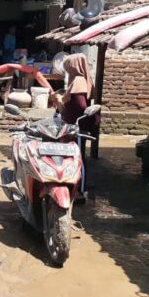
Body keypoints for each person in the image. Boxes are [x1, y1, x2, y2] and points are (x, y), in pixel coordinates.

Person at [54, 54, 101, 203]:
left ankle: (81, 190)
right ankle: (73, 184)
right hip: (72, 126)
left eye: (68, 65)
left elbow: (81, 106)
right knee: (72, 156)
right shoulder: (77, 80)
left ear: (74, 66)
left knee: (79, 157)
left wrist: (63, 103)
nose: (66, 69)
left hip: (78, 128)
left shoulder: (78, 82)